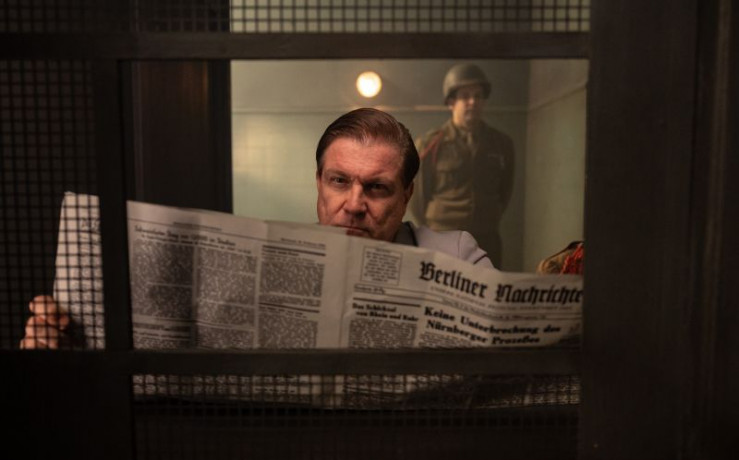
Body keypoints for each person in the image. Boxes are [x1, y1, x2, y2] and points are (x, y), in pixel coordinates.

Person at [21, 107, 493, 349]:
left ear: (407, 194)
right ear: (318, 183)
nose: (353, 205)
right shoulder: (274, 257)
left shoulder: (456, 254)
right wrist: (66, 344)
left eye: (377, 188)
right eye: (339, 181)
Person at [409, 64, 515, 268]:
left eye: (478, 96)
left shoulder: (501, 144)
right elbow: (418, 199)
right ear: (451, 102)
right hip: (443, 238)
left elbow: (505, 193)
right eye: (465, 96)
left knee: (487, 286)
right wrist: (438, 227)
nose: (472, 102)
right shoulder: (430, 144)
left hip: (486, 239)